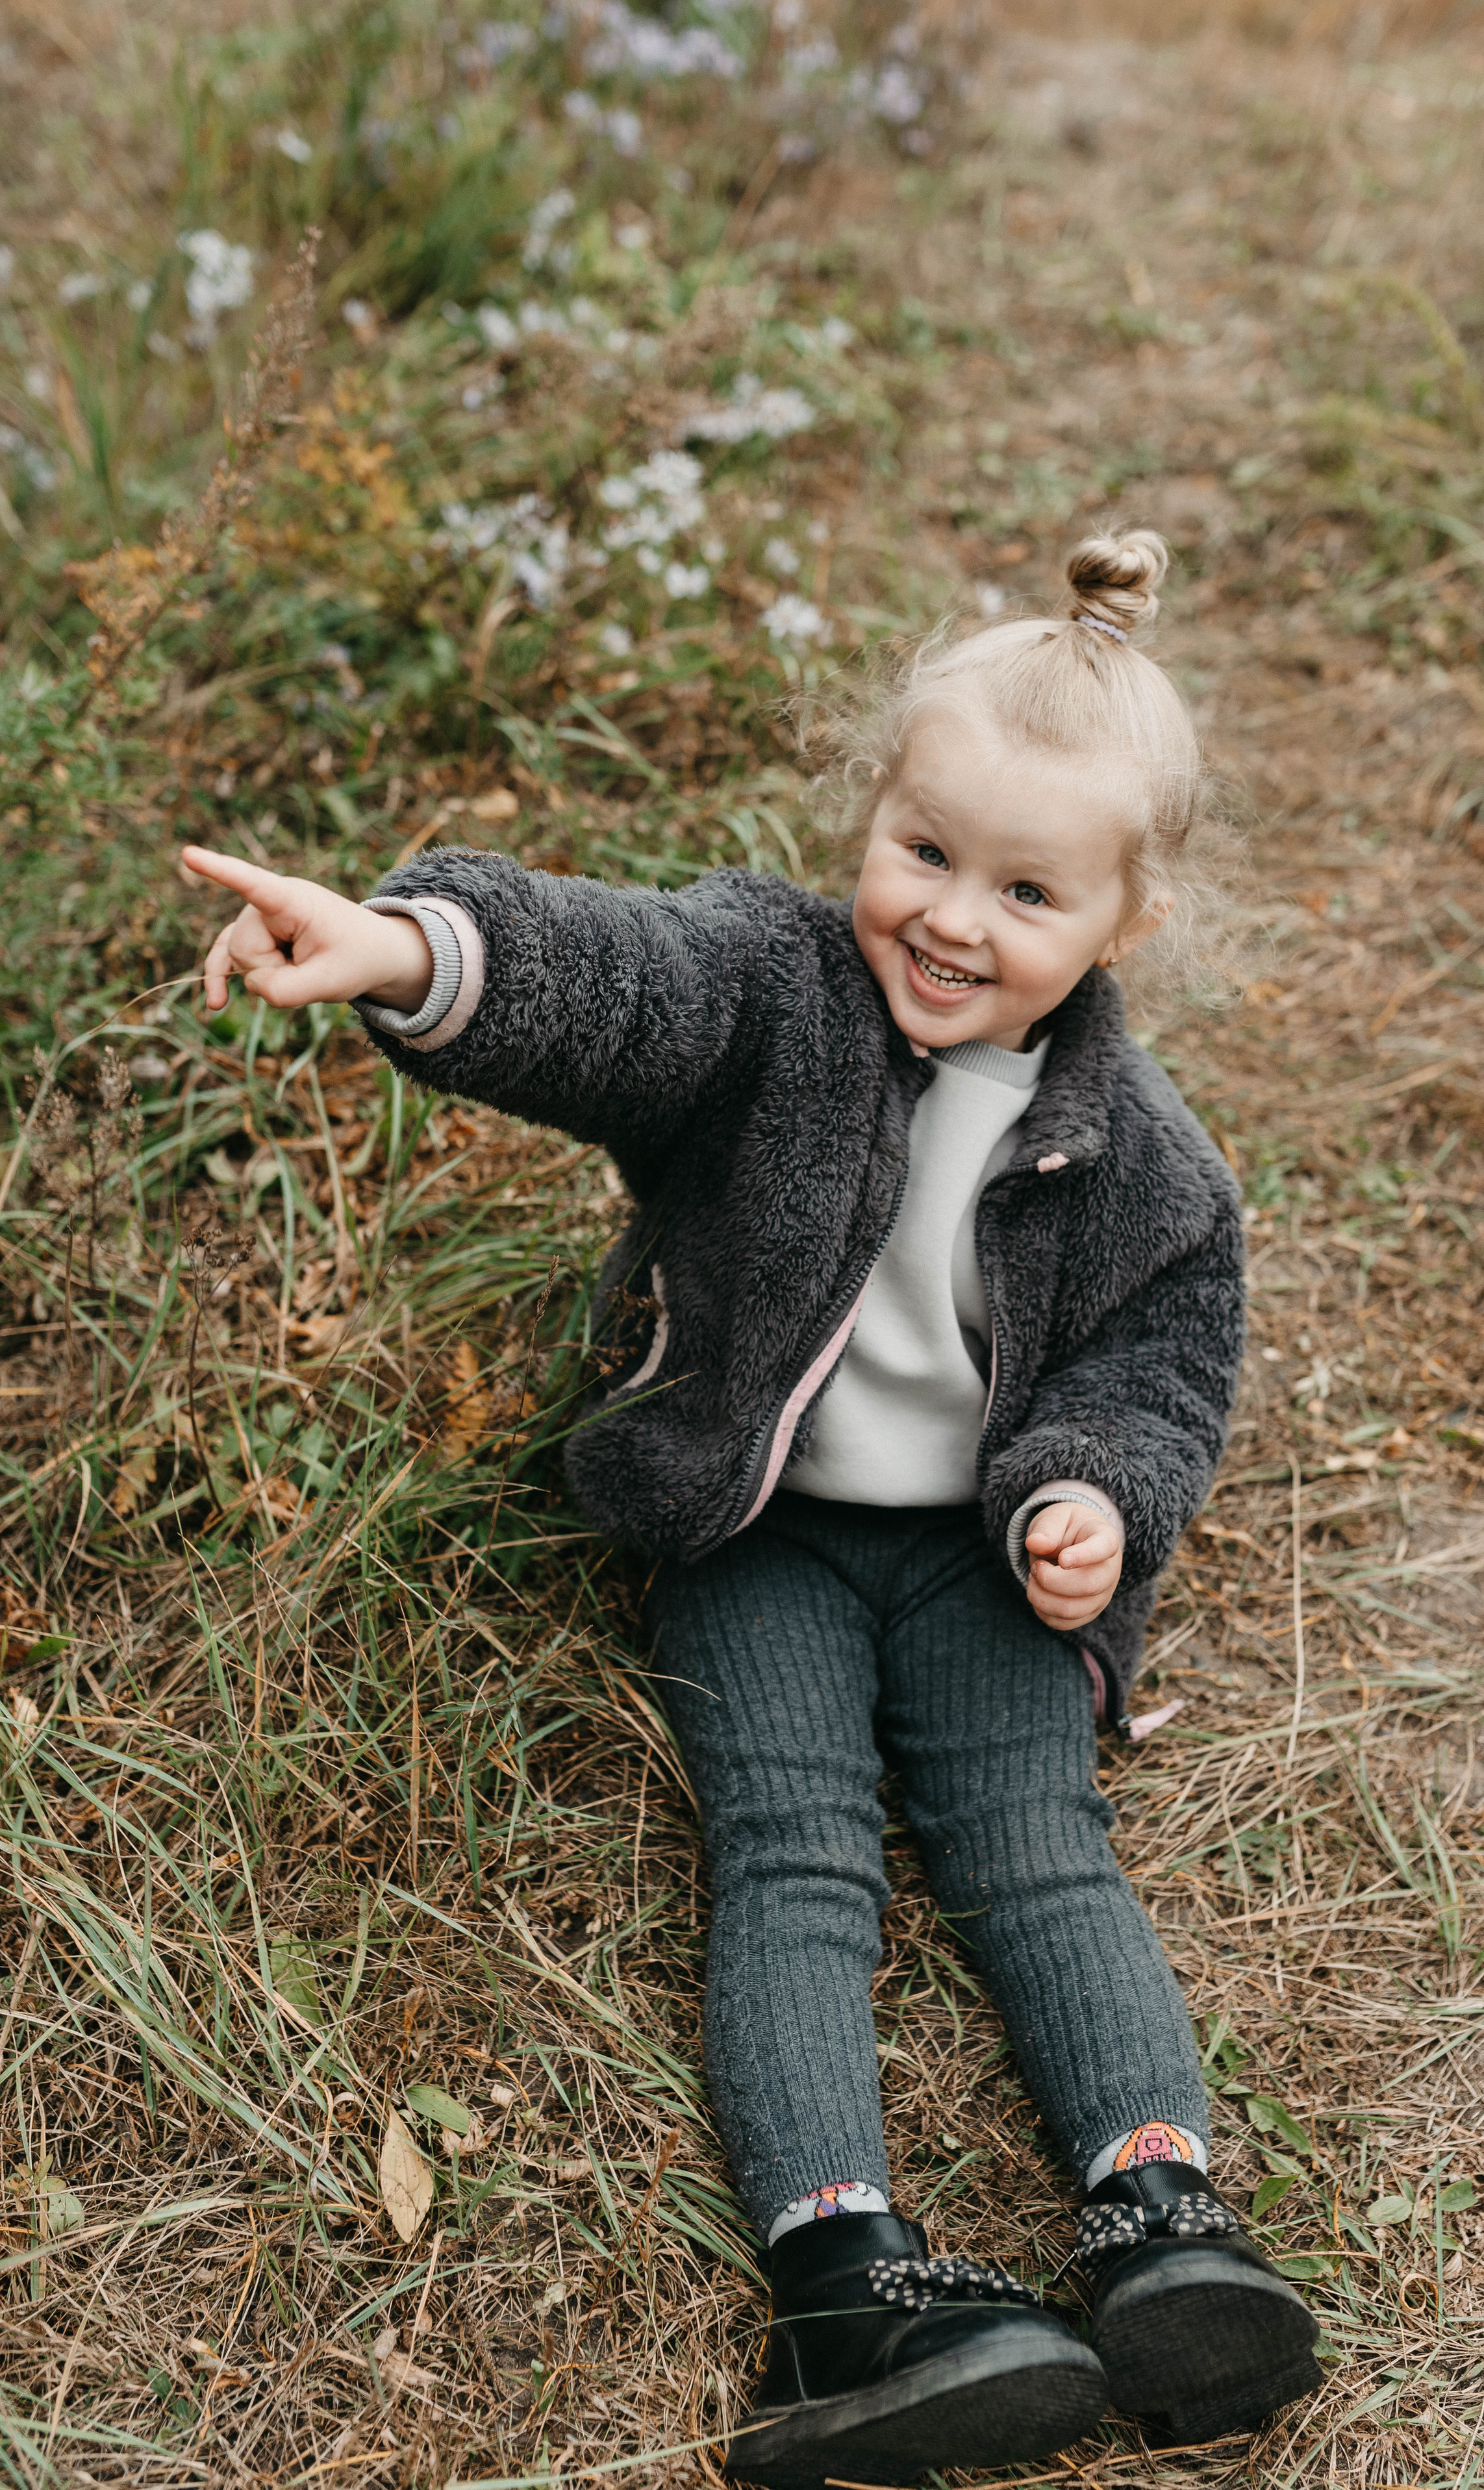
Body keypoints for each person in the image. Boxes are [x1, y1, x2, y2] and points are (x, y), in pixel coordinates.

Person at [184, 529, 1320, 2485]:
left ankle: (1162, 2214)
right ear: (870, 814)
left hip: (981, 1552)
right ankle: (843, 2275)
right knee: (796, 1861)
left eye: (1028, 888)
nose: (954, 918)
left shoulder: (1150, 1159)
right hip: (758, 1524)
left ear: (1124, 917)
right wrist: (411, 950)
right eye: (925, 850)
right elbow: (611, 979)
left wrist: (1098, 1504)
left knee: (1036, 1848)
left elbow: (1161, 1361)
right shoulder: (778, 999)